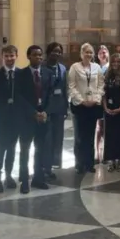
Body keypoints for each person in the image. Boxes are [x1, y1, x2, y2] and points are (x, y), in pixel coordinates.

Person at [16, 45, 54, 194]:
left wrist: (46, 112)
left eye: (40, 55)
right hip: (27, 118)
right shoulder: (21, 74)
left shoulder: (48, 73)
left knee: (41, 149)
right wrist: (33, 113)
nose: (38, 57)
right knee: (25, 150)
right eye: (35, 55)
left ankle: (38, 178)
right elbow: (19, 97)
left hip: (43, 117)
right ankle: (24, 181)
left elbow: (51, 95)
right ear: (28, 57)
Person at [0, 44, 22, 193]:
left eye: (12, 55)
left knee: (12, 148)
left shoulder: (21, 74)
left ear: (16, 56)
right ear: (2, 57)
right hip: (1, 119)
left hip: (16, 119)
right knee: (0, 148)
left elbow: (25, 96)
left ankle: (8, 175)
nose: (9, 59)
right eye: (6, 56)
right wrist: (1, 109)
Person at [68, 43, 104, 174]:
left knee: (90, 135)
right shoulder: (74, 67)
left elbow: (101, 84)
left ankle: (89, 163)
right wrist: (82, 101)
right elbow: (72, 86)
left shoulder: (97, 67)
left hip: (93, 105)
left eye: (90, 52)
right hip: (79, 106)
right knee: (79, 136)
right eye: (86, 52)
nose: (88, 54)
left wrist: (96, 98)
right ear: (81, 54)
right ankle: (79, 163)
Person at [103, 53, 120, 171]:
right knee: (109, 135)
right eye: (113, 61)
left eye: (117, 62)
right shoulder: (107, 75)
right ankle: (111, 159)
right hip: (109, 108)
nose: (115, 64)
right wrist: (105, 107)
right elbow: (103, 93)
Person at [43, 42, 68, 172]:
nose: (57, 54)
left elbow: (64, 89)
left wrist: (65, 108)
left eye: (59, 51)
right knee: (47, 138)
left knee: (58, 137)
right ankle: (45, 166)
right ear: (49, 52)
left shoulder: (63, 68)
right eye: (54, 51)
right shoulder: (42, 67)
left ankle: (55, 163)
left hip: (59, 108)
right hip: (46, 108)